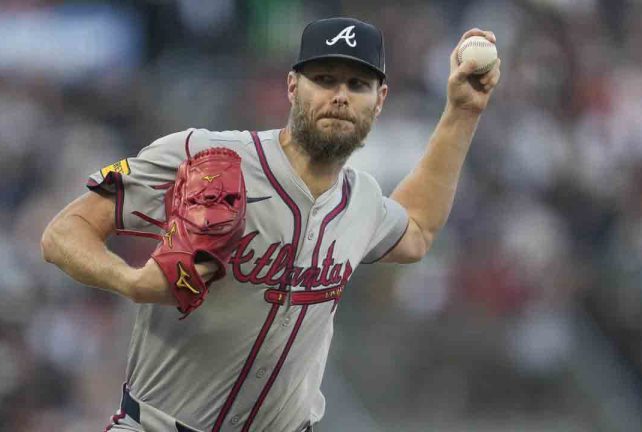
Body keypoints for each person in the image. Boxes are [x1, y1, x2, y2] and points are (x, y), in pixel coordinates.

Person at [41, 16, 500, 432]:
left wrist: (462, 113)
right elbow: (63, 233)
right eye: (324, 79)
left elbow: (417, 229)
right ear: (292, 87)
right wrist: (131, 282)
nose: (340, 95)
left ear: (379, 101)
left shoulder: (361, 201)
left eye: (357, 84)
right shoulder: (205, 155)